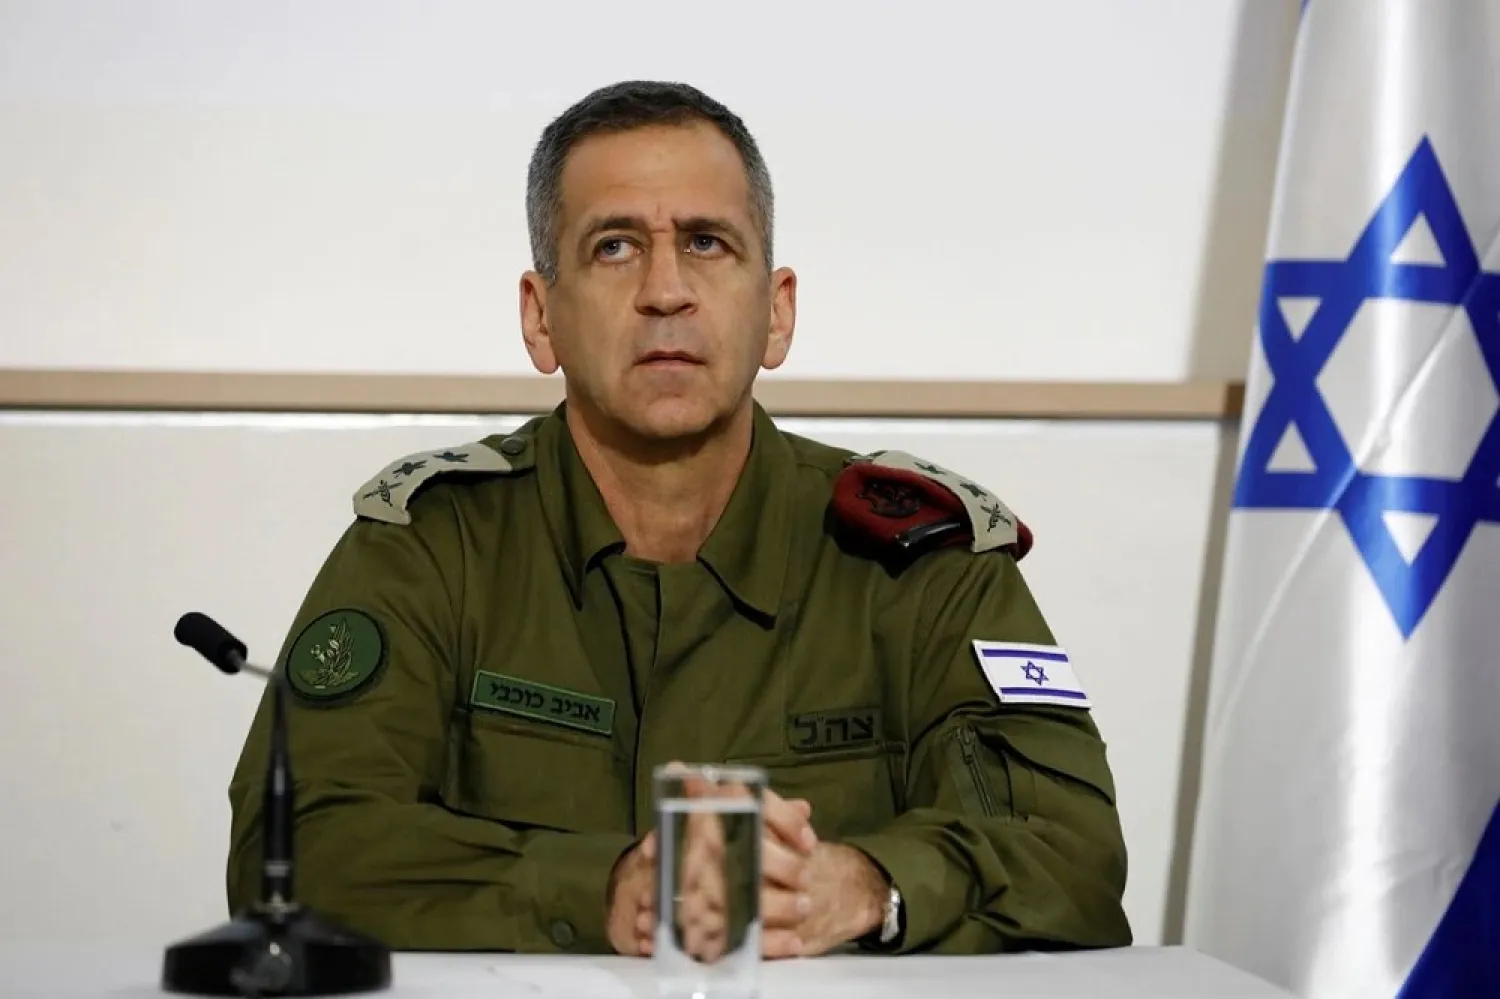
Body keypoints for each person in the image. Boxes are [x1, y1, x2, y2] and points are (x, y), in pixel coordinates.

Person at [225, 80, 1132, 959]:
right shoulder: (437, 543)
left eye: (706, 243)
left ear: (776, 314)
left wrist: (867, 885)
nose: (666, 291)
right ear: (541, 319)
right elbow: (297, 846)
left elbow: (1072, 850)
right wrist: (602, 889)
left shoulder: (920, 560)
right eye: (614, 247)